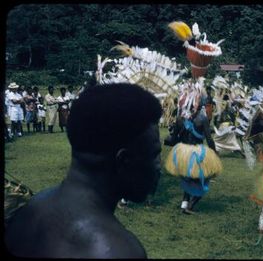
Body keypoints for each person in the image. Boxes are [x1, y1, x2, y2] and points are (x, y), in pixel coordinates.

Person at [5, 83, 162, 258]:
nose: (159, 167)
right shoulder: (118, 251)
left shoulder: (31, 207)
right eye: (154, 155)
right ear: (124, 160)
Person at [165, 79, 222, 214]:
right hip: (197, 154)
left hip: (183, 154)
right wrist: (214, 153)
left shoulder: (180, 119)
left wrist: (171, 140)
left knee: (189, 179)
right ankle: (190, 206)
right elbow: (209, 139)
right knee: (204, 180)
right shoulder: (202, 119)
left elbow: (173, 139)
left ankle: (184, 205)